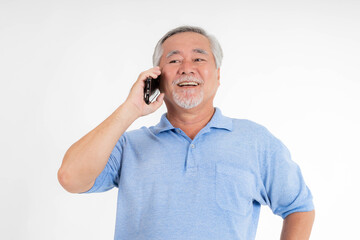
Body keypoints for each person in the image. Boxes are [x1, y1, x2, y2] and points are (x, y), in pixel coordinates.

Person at [58, 26, 315, 240]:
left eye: (199, 58)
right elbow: (70, 177)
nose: (186, 67)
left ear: (217, 75)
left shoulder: (256, 141)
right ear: (156, 78)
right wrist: (130, 109)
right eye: (174, 60)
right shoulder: (129, 146)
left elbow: (299, 208)